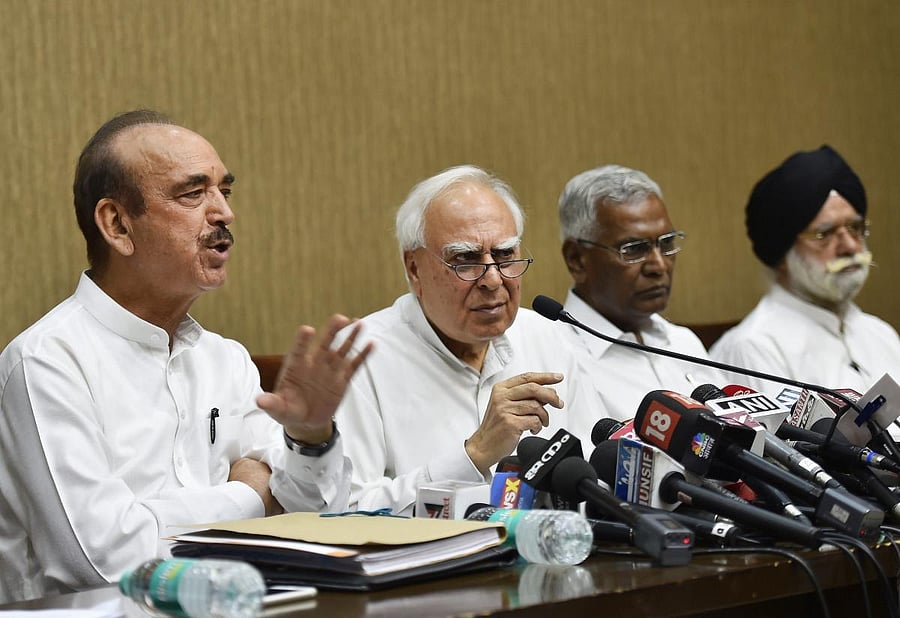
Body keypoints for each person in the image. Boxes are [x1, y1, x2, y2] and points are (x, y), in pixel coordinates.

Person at [0, 110, 371, 603]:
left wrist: (310, 436)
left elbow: (315, 515)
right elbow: (105, 562)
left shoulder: (225, 360)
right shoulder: (47, 361)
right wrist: (250, 495)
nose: (224, 213)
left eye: (225, 191)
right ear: (117, 224)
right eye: (193, 194)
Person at [333, 165, 606, 515]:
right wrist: (473, 455)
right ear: (414, 268)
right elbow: (346, 511)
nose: (493, 280)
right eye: (465, 260)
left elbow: (598, 475)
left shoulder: (548, 337)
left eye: (505, 255)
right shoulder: (357, 357)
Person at [711, 145, 900, 395]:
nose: (850, 246)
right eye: (824, 234)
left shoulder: (880, 333)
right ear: (782, 254)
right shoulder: (754, 348)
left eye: (855, 228)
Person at [557, 165, 722, 420]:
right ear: (576, 259)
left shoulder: (682, 341)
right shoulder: (558, 358)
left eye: (667, 243)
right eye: (634, 248)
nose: (659, 265)